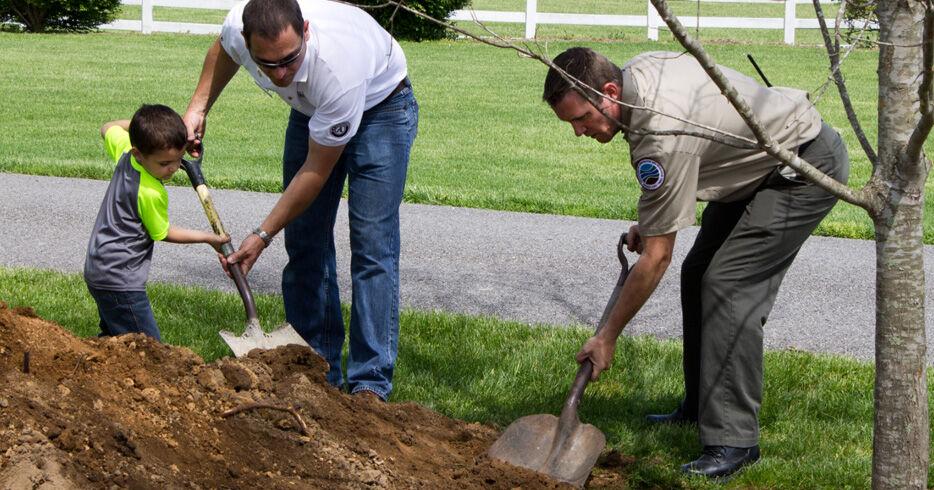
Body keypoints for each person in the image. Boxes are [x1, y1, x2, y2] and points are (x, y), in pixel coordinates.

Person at [543, 48, 849, 478]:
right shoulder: (639, 76)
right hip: (754, 165)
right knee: (699, 272)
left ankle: (734, 442)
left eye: (581, 118)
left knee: (729, 285)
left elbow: (656, 258)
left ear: (610, 92)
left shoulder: (659, 132)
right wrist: (654, 222)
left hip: (798, 166)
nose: (578, 132)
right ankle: (703, 404)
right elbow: (685, 158)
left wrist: (606, 337)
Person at [183, 0, 418, 401]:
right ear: (248, 41)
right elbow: (223, 49)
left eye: (289, 60)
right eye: (268, 64)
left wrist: (261, 235)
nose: (280, 74)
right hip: (312, 109)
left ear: (306, 31)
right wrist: (197, 109)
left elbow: (315, 172)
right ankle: (316, 370)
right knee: (305, 239)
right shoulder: (240, 26)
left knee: (372, 245)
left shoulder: (337, 69)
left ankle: (370, 385)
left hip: (381, 109)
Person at [84, 104, 229, 342]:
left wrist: (142, 132)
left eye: (178, 159)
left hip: (100, 268)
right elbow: (164, 232)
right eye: (164, 163)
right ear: (138, 153)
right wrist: (209, 238)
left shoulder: (125, 151)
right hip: (121, 280)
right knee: (149, 347)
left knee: (115, 338)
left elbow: (107, 127)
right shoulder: (150, 192)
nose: (174, 168)